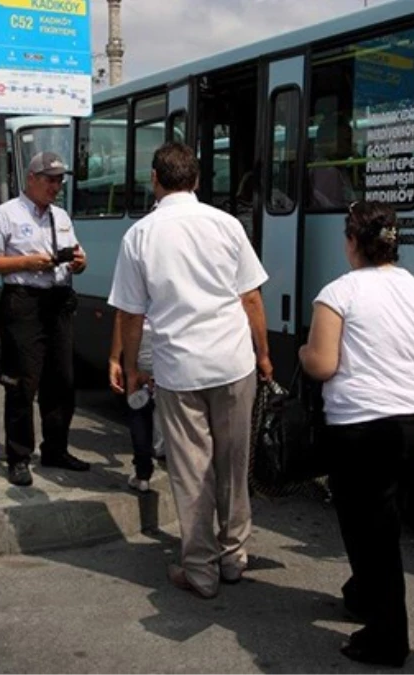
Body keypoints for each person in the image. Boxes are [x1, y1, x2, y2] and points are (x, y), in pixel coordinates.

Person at [108, 141, 273, 600]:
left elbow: (131, 314)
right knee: (233, 464)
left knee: (192, 470)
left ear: (154, 181)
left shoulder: (139, 235)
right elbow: (251, 297)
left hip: (179, 369)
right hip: (233, 362)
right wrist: (263, 354)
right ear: (197, 180)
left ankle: (200, 569)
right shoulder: (226, 224)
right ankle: (234, 556)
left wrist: (130, 366)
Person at [297, 201, 414, 668]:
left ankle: (386, 638)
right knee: (383, 520)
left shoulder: (338, 293)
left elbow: (323, 364)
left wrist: (302, 353)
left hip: (362, 430)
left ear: (352, 242)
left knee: (368, 531)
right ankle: (362, 594)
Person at [0, 151, 89, 487]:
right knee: (23, 382)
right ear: (31, 179)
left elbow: (76, 253)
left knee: (62, 380)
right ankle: (19, 456)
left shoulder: (61, 216)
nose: (56, 186)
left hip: (58, 301)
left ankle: (56, 449)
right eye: (50, 180)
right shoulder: (5, 215)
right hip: (24, 302)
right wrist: (26, 263)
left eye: (60, 181)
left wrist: (79, 262)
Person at [107, 309, 164, 493]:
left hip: (142, 337)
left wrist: (115, 358)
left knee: (140, 405)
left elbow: (124, 315)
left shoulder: (137, 286)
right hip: (173, 341)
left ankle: (142, 473)